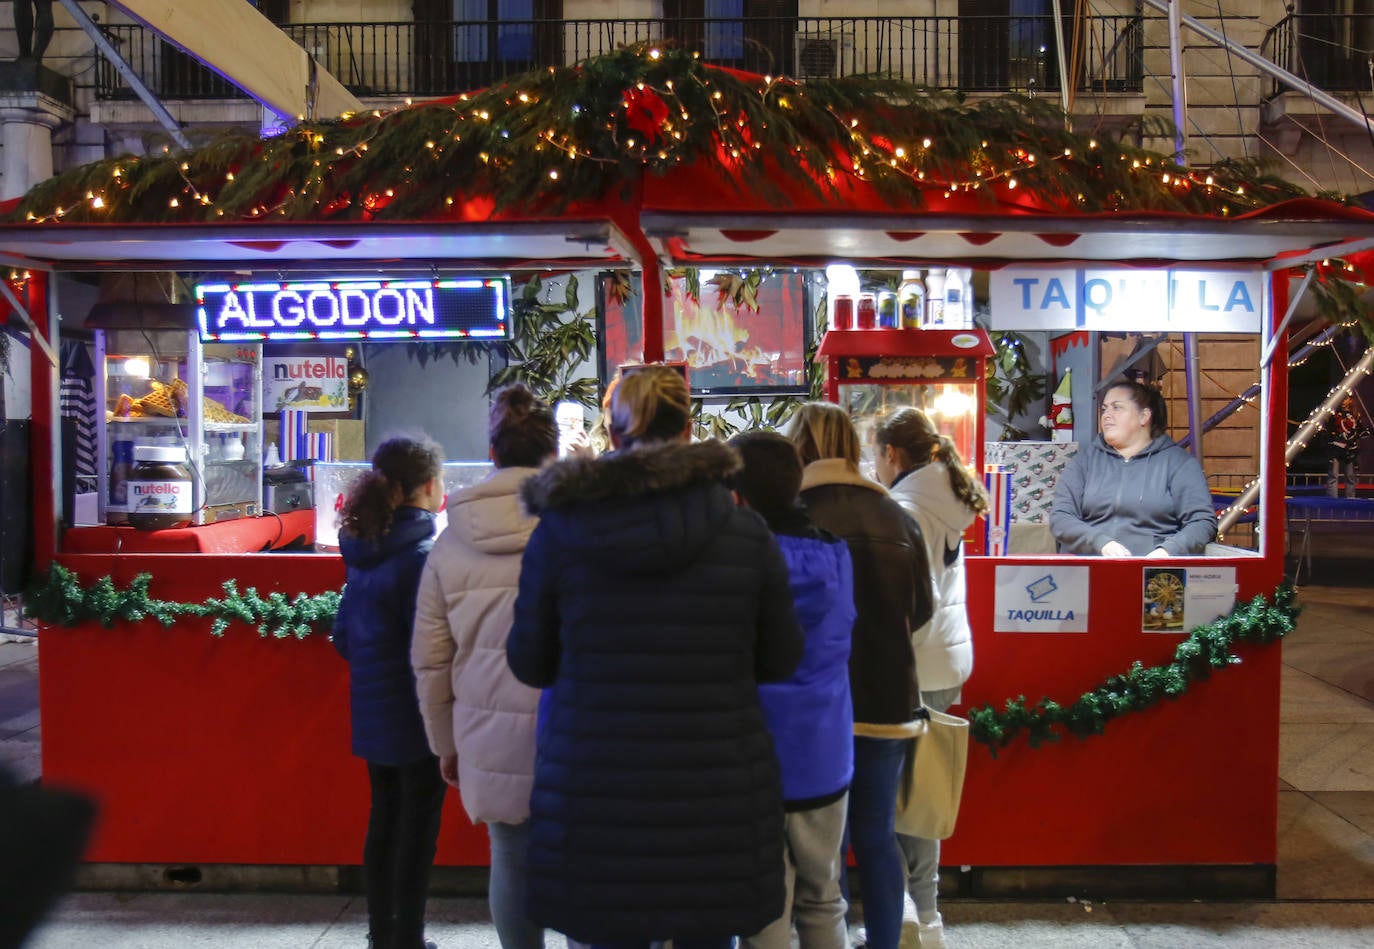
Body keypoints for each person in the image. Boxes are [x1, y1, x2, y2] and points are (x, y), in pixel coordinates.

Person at [506, 364, 804, 949]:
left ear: (614, 436)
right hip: (716, 794)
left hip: (596, 793)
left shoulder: (561, 532)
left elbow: (530, 664)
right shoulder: (746, 532)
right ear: (690, 430)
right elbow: (781, 659)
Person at [411, 385, 557, 949]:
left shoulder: (451, 542)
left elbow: (430, 656)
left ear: (492, 453)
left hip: (486, 730)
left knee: (511, 858)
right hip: (571, 726)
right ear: (553, 454)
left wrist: (444, 741)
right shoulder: (576, 528)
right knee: (583, 860)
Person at [786, 402, 934, 949]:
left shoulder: (791, 511)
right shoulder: (897, 516)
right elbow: (921, 609)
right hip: (889, 701)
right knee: (875, 837)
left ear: (798, 447)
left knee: (816, 848)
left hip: (816, 705)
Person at [730, 430, 856, 949]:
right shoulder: (836, 553)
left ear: (736, 495)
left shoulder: (737, 561)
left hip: (754, 756)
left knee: (765, 905)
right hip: (826, 752)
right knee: (824, 896)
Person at [872, 408, 989, 949]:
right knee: (922, 797)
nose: (874, 466)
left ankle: (908, 915)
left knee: (892, 800)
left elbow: (919, 602)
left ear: (892, 454)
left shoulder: (904, 508)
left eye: (877, 454)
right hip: (944, 664)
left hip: (909, 668)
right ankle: (928, 915)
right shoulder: (949, 498)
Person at [333, 435, 448, 949]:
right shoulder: (422, 556)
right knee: (417, 831)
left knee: (384, 822)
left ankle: (384, 935)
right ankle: (408, 939)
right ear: (429, 487)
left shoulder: (364, 549)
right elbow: (434, 644)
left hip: (374, 711)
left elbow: (343, 637)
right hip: (418, 715)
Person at [1049, 378, 1216, 557]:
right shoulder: (1084, 462)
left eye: (1117, 407)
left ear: (1144, 416)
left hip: (1153, 572)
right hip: (1088, 569)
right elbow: (1060, 517)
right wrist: (1101, 543)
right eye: (1104, 408)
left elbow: (1202, 522)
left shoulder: (1179, 463)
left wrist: (1167, 551)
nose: (1106, 415)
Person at [1325, 395, 1369, 499]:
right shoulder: (1333, 414)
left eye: (1345, 399)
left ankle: (1350, 499)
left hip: (1350, 449)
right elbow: (1329, 430)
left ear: (1350, 400)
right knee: (1333, 475)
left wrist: (1363, 432)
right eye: (1341, 399)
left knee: (1350, 476)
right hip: (1336, 447)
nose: (1343, 401)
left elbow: (1359, 429)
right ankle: (1332, 500)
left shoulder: (1355, 415)